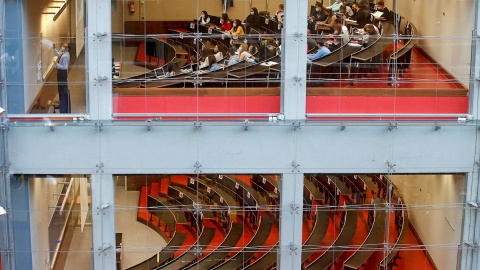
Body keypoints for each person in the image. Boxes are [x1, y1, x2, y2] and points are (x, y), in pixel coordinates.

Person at [53, 43, 71, 113]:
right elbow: (58, 54)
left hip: (62, 73)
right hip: (61, 73)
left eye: (64, 46)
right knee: (60, 89)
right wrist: (54, 48)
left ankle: (63, 105)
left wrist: (56, 64)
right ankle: (61, 103)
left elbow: (65, 67)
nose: (62, 47)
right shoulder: (64, 53)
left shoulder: (65, 56)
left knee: (62, 89)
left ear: (67, 48)